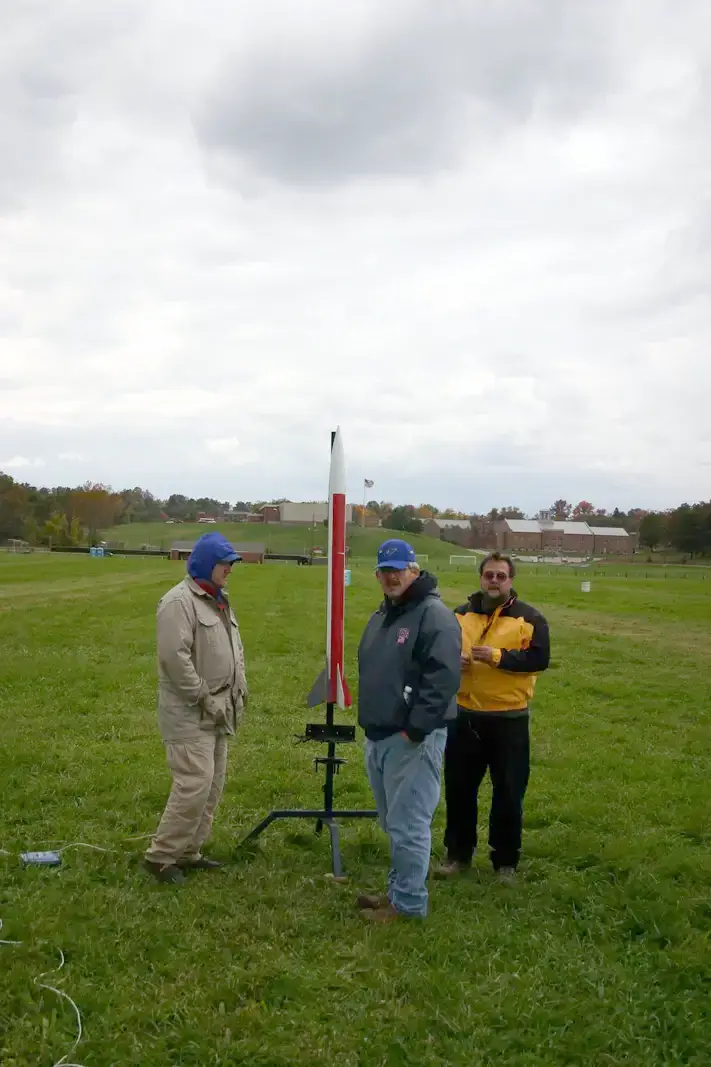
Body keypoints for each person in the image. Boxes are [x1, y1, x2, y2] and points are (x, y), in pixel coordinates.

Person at [356, 539, 462, 922]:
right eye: (384, 571)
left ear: (414, 570)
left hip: (410, 741)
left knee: (409, 824)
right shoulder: (385, 614)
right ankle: (397, 892)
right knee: (394, 823)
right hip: (381, 736)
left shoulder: (433, 615)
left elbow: (444, 678)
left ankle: (409, 905)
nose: (391, 577)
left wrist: (415, 730)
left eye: (399, 569)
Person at [435, 552, 550, 886]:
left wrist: (499, 657)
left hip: (508, 719)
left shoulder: (530, 618)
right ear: (481, 578)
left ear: (511, 580)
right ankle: (457, 855)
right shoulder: (459, 615)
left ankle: (505, 862)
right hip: (464, 716)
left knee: (509, 792)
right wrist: (453, 659)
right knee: (459, 790)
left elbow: (540, 658)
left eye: (501, 576)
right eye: (489, 575)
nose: (494, 581)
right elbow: (439, 650)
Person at [143, 531, 248, 885]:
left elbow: (234, 648)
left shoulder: (218, 601)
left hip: (220, 710)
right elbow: (175, 659)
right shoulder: (178, 603)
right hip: (190, 711)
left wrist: (237, 690)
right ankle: (160, 856)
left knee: (213, 783)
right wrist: (203, 696)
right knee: (194, 782)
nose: (230, 570)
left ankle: (189, 851)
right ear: (206, 564)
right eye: (225, 564)